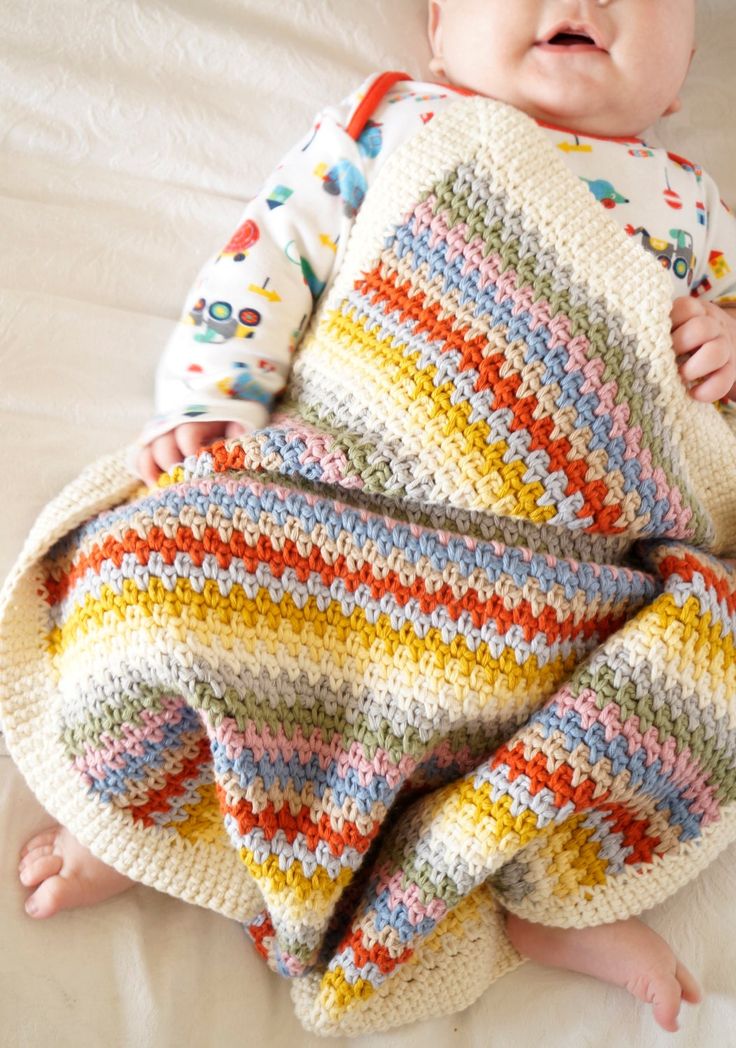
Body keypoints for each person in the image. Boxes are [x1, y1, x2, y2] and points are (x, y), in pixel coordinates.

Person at [18, 0, 736, 1033]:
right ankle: (145, 814)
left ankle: (528, 884)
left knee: (693, 672)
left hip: (564, 577)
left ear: (681, 80)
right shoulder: (398, 122)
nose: (579, 2)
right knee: (153, 566)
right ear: (439, 29)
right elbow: (266, 258)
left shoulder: (693, 210)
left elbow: (704, 415)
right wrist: (212, 401)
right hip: (346, 498)